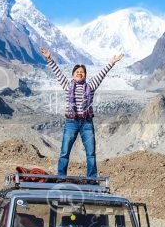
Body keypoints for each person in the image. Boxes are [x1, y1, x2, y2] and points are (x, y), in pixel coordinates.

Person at [39, 47, 123, 178]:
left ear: (85, 75)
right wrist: (49, 58)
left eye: (82, 72)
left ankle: (92, 179)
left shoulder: (91, 86)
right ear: (73, 75)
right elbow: (57, 72)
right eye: (77, 72)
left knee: (90, 152)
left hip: (86, 123)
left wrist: (112, 62)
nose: (79, 73)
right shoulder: (68, 86)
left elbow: (102, 73)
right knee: (64, 151)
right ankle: (61, 177)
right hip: (71, 122)